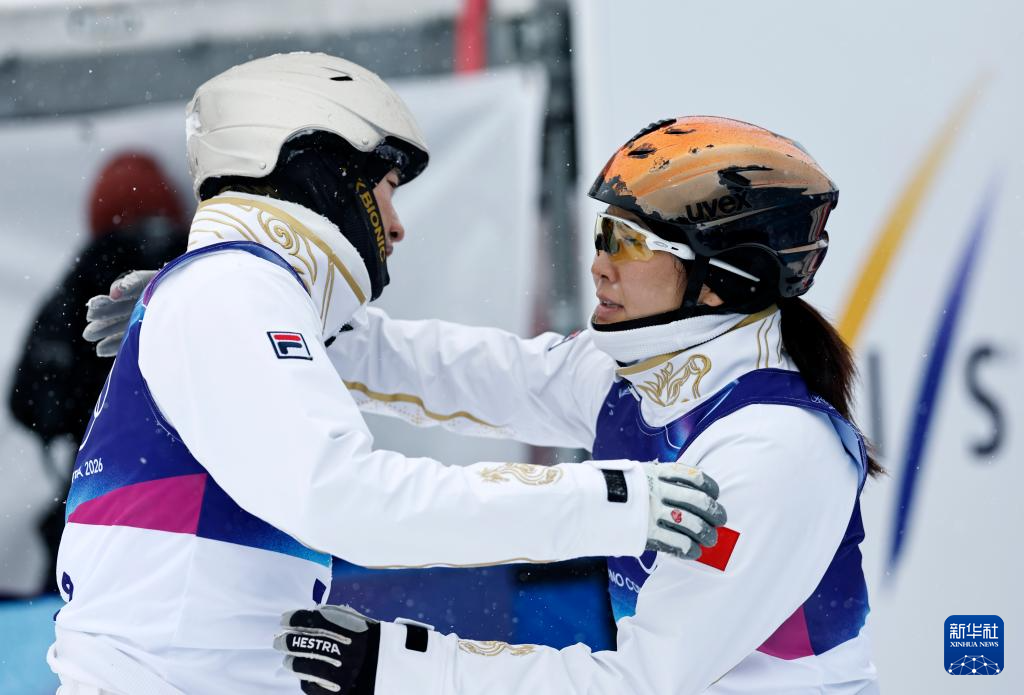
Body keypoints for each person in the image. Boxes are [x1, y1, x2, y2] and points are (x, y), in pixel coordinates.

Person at [50, 54, 728, 694]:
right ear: (318, 172)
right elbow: (345, 498)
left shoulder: (230, 294)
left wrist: (205, 306)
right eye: (388, 190)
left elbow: (452, 372)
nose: (397, 227)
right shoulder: (230, 291)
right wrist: (605, 502)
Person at [267, 117, 881, 693]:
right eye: (601, 234)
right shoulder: (631, 374)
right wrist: (279, 314)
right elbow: (470, 375)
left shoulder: (775, 451)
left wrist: (396, 667)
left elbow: (641, 682)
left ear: (723, 278)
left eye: (627, 243)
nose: (598, 266)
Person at [8, 151, 187, 594]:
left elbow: (30, 400)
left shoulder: (81, 279)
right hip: (205, 476)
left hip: (102, 482)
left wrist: (84, 414)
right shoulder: (201, 263)